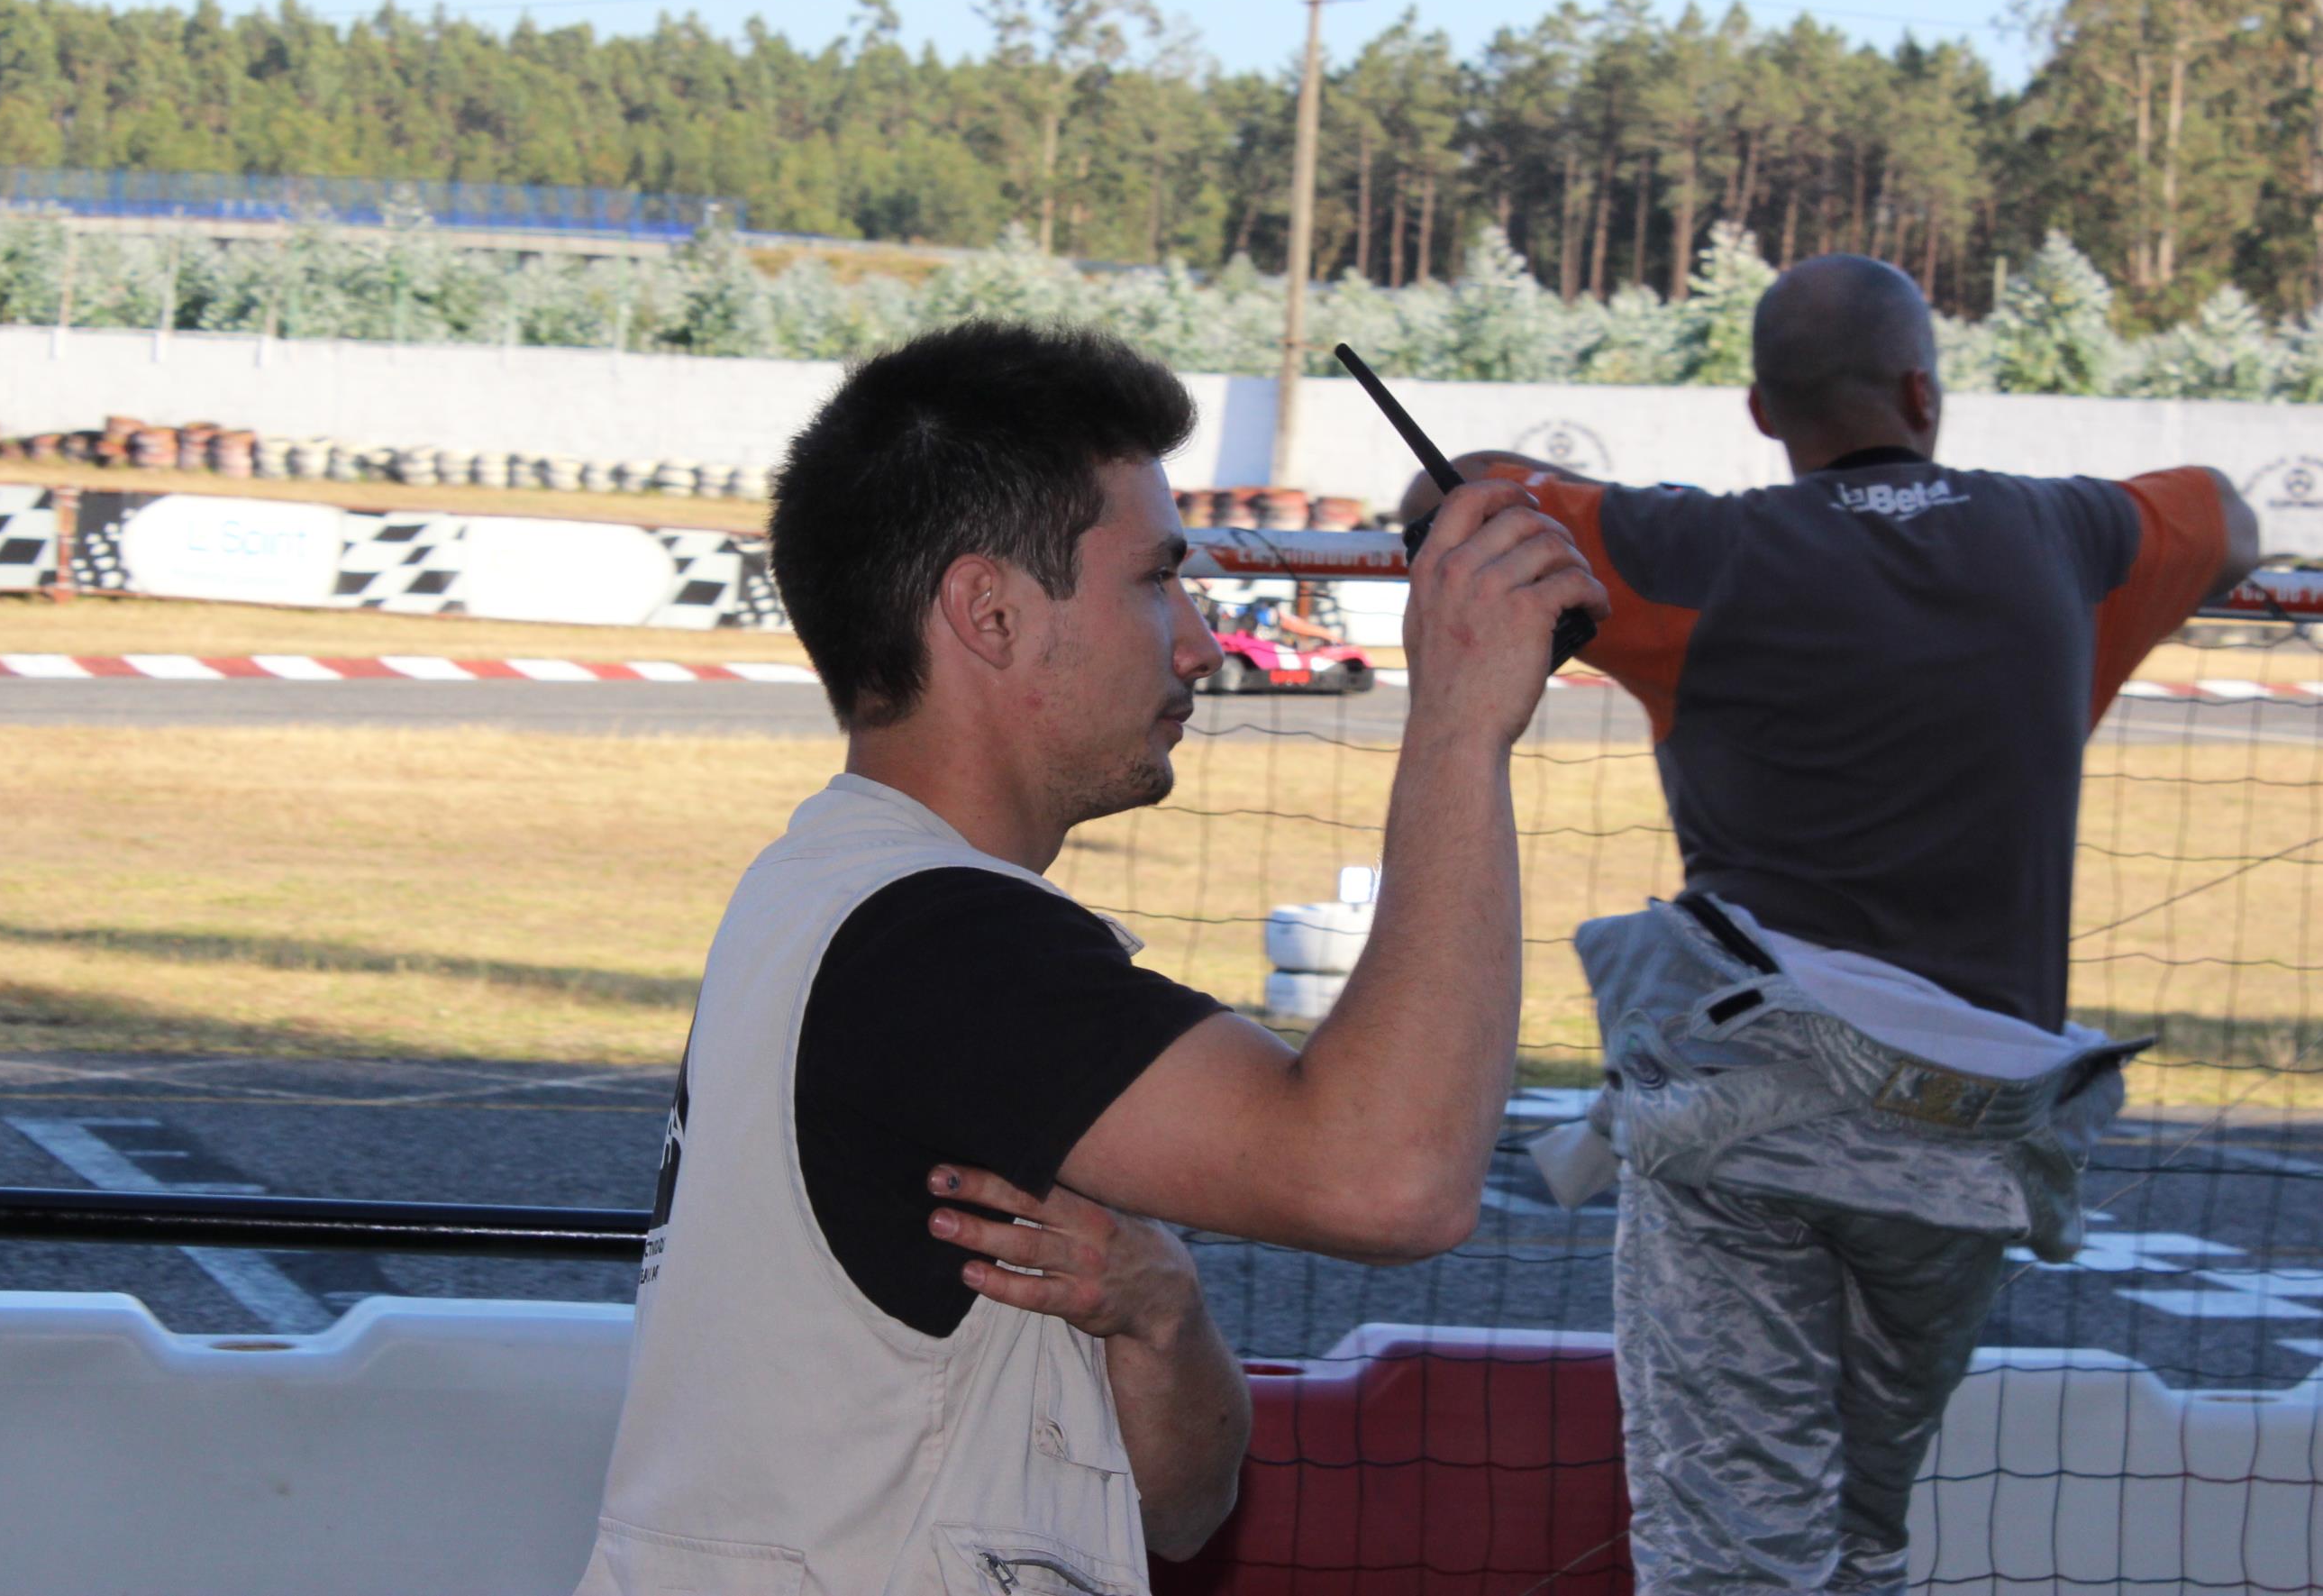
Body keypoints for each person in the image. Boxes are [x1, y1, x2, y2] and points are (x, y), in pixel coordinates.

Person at [575, 319, 1606, 1595]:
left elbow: (1178, 1512)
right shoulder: (931, 943)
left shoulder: (843, 905)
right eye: (1152, 579)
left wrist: (1160, 1314)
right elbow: (1391, 1178)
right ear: (988, 610)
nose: (1198, 643)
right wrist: (1457, 725)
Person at [1398, 254, 2262, 1594]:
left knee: (1731, 1547)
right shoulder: (2067, 535)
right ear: (1923, 386)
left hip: (1751, 1119)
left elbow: (1455, 494)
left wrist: (1502, 464)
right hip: (1974, 1133)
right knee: (1858, 1533)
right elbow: (2224, 510)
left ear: (1759, 408)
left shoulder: (1696, 549)